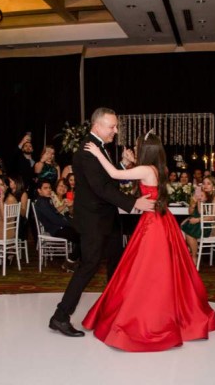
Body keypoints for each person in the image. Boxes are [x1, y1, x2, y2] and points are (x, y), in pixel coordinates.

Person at [82, 130, 215, 352]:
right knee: (162, 270)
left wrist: (98, 154)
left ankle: (147, 314)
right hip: (163, 220)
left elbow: (115, 174)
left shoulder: (145, 170)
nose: (135, 149)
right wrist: (133, 161)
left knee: (145, 270)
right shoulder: (159, 168)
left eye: (137, 147)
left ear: (145, 151)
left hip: (152, 224)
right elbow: (144, 174)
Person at [48, 107, 155, 338]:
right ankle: (60, 316)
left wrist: (124, 166)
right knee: (89, 266)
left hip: (107, 219)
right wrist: (134, 203)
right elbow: (102, 188)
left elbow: (109, 178)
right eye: (112, 126)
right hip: (93, 221)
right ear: (97, 126)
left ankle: (115, 310)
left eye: (115, 126)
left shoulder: (99, 148)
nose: (115, 131)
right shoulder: (87, 151)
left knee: (117, 263)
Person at [34, 179, 81, 268]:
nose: (49, 190)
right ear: (39, 190)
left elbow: (55, 213)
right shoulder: (42, 203)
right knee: (82, 237)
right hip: (57, 229)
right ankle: (71, 262)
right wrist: (72, 224)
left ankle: (74, 261)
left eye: (49, 188)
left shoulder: (46, 200)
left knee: (83, 236)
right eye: (45, 188)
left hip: (59, 227)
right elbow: (55, 220)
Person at [181, 176, 215, 265]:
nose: (205, 185)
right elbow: (196, 212)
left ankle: (193, 256)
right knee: (186, 226)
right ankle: (191, 254)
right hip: (202, 223)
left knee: (188, 230)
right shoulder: (202, 195)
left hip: (212, 226)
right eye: (204, 183)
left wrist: (197, 220)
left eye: (208, 183)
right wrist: (197, 201)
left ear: (214, 186)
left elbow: (213, 217)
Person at [8, 175, 29, 239]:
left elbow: (23, 213)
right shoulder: (8, 193)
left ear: (16, 182)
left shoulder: (23, 194)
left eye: (10, 181)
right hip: (9, 217)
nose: (9, 183)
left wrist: (15, 204)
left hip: (18, 220)